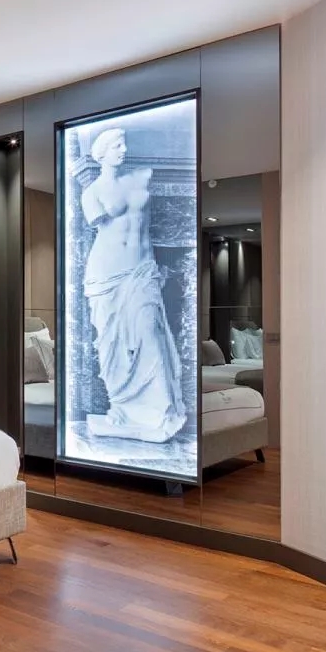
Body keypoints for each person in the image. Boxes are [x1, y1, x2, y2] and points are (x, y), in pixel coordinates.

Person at [80, 128, 186, 443]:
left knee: (150, 332)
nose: (122, 150)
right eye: (116, 145)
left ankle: (159, 410)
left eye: (123, 144)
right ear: (101, 153)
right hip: (107, 272)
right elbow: (101, 227)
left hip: (141, 270)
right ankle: (121, 406)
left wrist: (153, 267)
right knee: (112, 344)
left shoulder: (140, 178)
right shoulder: (92, 192)